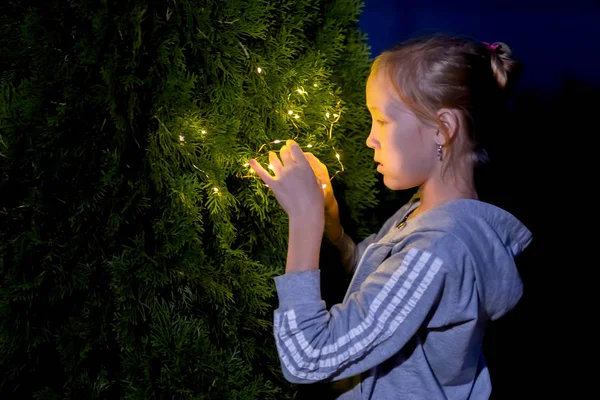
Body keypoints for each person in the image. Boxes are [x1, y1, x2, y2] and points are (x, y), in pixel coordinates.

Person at [249, 33, 532, 400]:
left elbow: (307, 357)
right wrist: (335, 232)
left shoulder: (436, 251)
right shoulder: (427, 213)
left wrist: (304, 221)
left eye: (382, 121)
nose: (370, 139)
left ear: (442, 130)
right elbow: (379, 282)